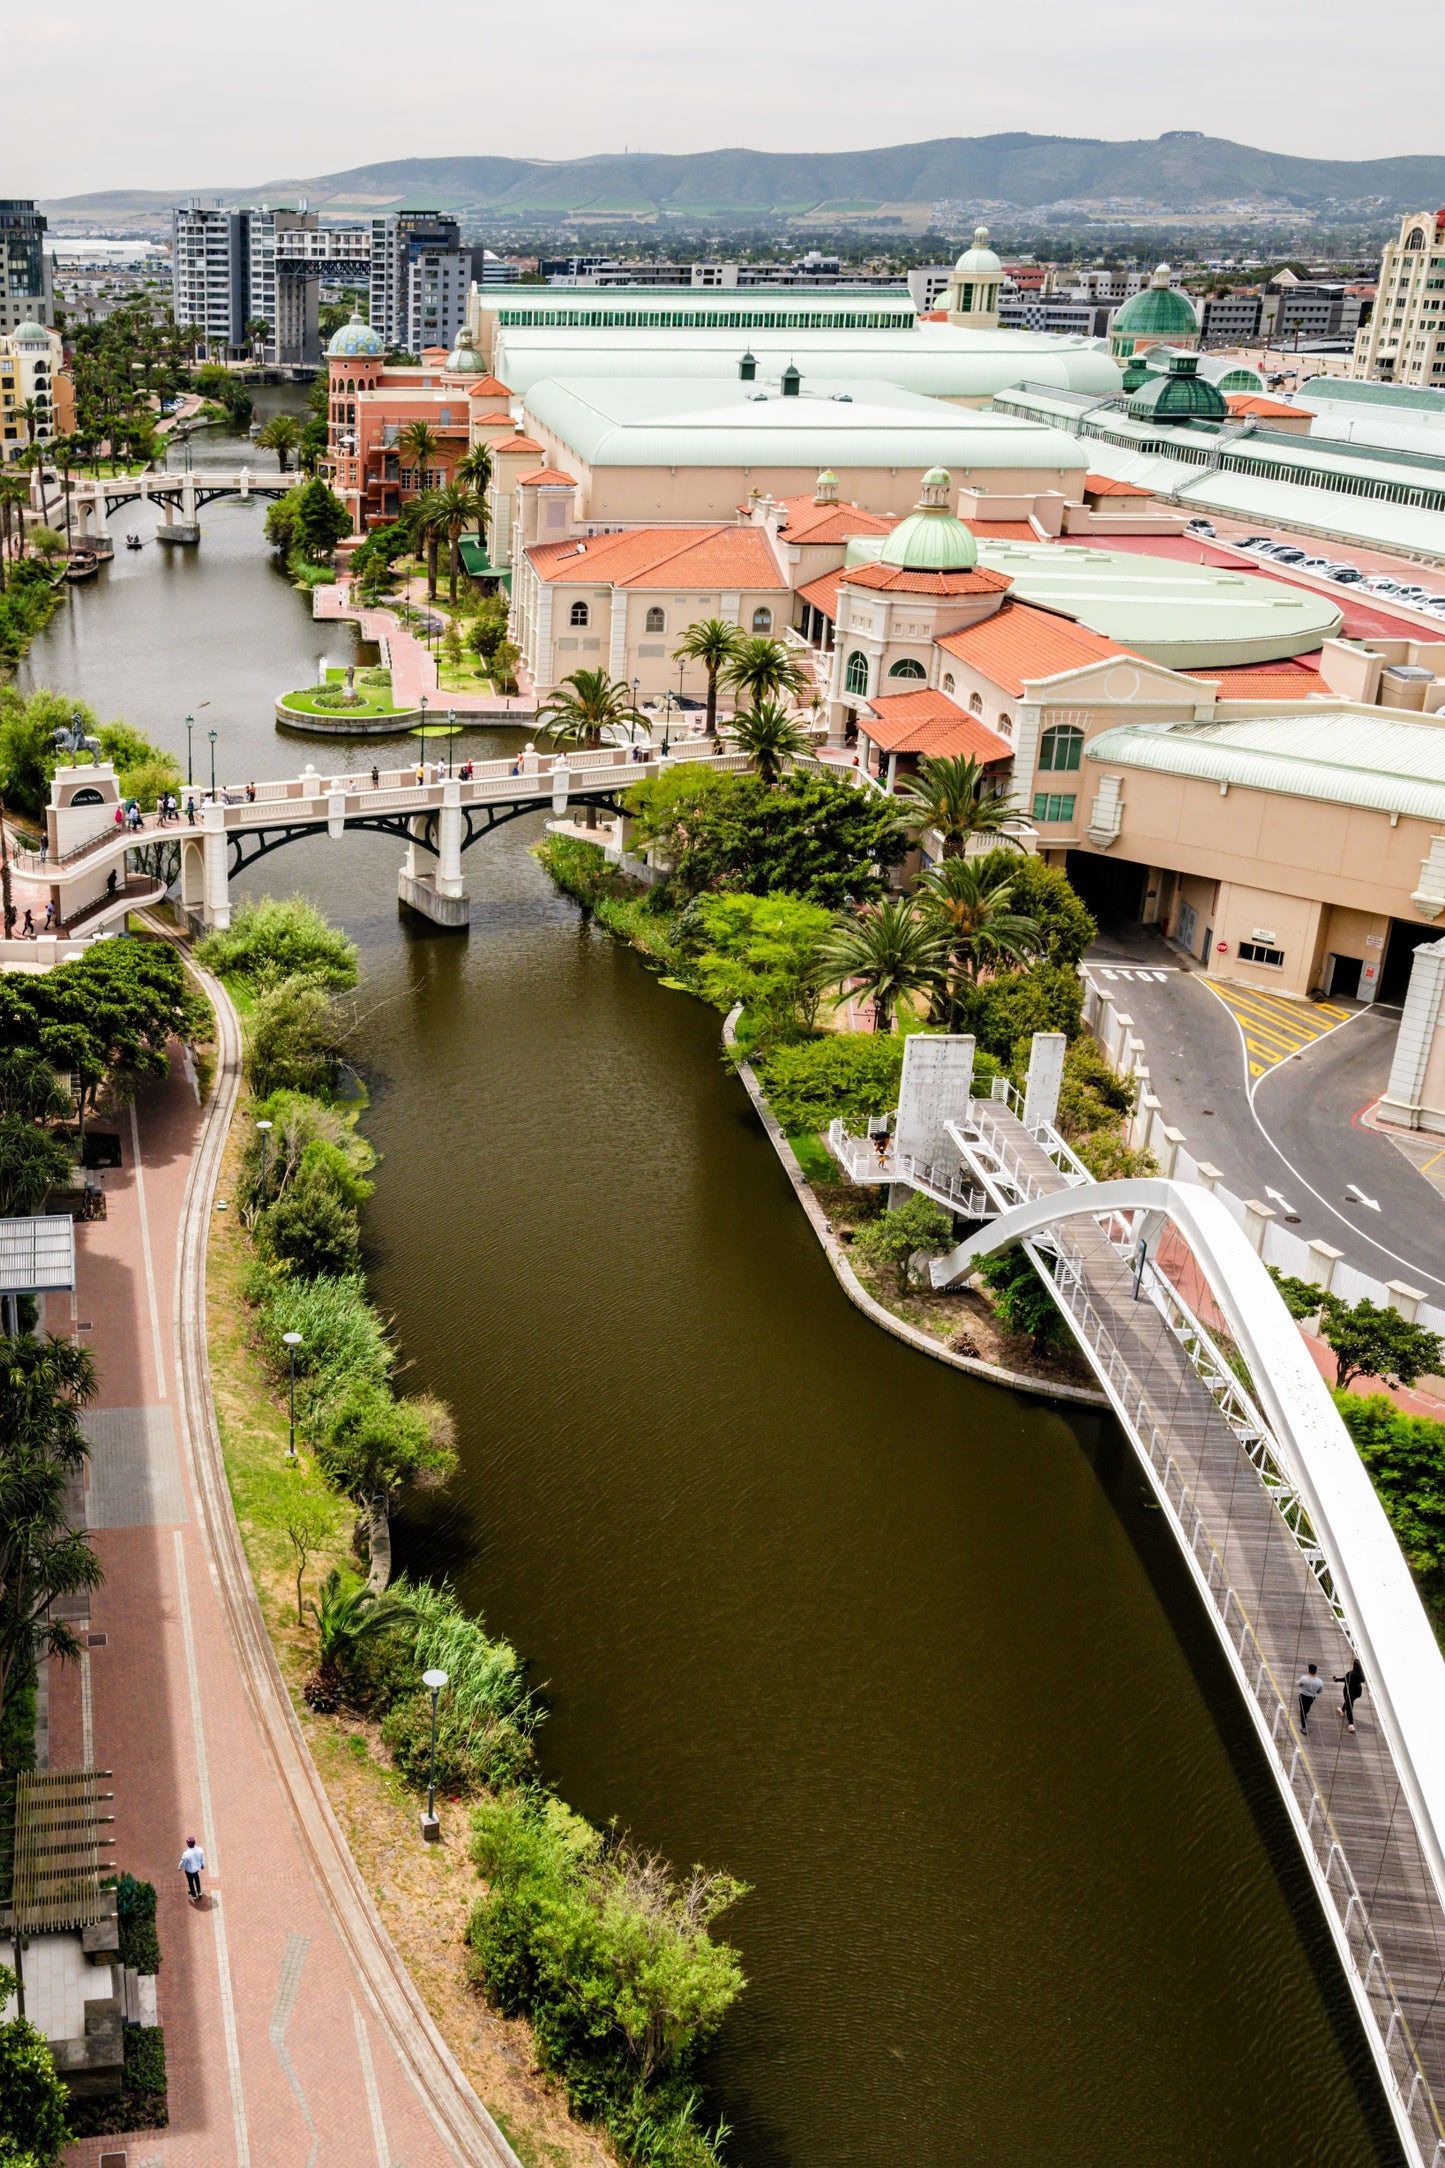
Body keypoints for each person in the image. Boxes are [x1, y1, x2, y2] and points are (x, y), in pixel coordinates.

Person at [1336, 1656, 1366, 1733]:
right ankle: (1342, 1710)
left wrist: (1336, 1680)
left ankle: (1351, 1725)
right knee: (1349, 1701)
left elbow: (1345, 1680)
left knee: (1349, 1705)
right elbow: (1363, 1680)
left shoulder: (1350, 1674)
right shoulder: (1362, 1675)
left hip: (1349, 1692)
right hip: (1357, 1692)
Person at [1297, 1663, 1325, 1733]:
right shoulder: (1320, 1681)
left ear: (1308, 1670)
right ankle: (1305, 1714)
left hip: (1303, 1695)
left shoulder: (1304, 1678)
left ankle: (1303, 1727)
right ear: (1316, 1671)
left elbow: (1298, 1684)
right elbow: (1320, 1691)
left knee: (1302, 1710)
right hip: (1312, 1697)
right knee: (1307, 1708)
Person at [179, 1836, 205, 1902]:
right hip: (196, 1869)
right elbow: (202, 1859)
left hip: (189, 1871)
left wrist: (179, 1868)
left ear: (188, 1844)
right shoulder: (200, 1850)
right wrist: (202, 1865)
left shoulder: (186, 1854)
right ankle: (199, 1891)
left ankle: (193, 1895)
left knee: (190, 1882)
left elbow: (182, 1862)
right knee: (197, 1879)